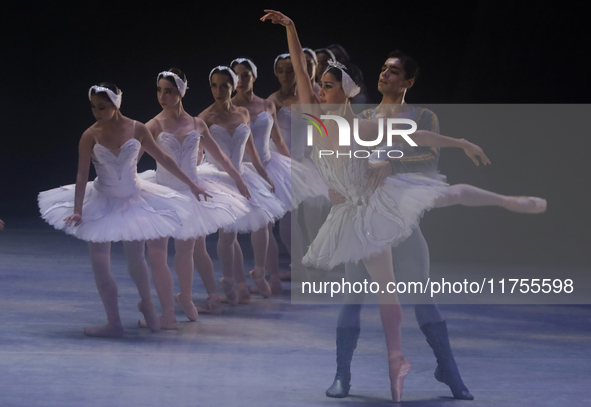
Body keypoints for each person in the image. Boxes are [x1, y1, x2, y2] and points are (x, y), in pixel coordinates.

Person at [260, 9, 490, 402]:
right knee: (354, 295)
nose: (316, 90)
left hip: (391, 215)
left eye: (326, 85)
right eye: (319, 86)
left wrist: (459, 144)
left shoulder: (373, 122)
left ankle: (448, 369)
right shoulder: (322, 119)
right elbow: (301, 71)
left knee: (420, 293)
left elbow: (416, 138)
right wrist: (292, 29)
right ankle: (342, 375)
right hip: (357, 217)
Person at [38, 83, 211, 337]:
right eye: (94, 107)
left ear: (116, 104)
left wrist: (192, 184)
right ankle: (114, 322)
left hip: (134, 200)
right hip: (102, 198)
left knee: (136, 259)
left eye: (103, 107)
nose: (97, 112)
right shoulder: (90, 135)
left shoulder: (138, 128)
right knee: (100, 262)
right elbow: (82, 172)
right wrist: (77, 209)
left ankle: (151, 311)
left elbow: (164, 158)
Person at [139, 68, 251, 326]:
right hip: (163, 193)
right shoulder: (153, 125)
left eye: (168, 91)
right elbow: (134, 159)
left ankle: (186, 298)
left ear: (181, 92)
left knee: (186, 249)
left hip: (191, 193)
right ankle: (166, 310)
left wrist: (238, 178)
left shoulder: (197, 124)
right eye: (159, 90)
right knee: (158, 254)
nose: (162, 96)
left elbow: (220, 156)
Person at [198, 66, 285, 303]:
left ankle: (239, 285)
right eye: (214, 85)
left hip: (242, 176)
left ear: (233, 85)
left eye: (224, 85)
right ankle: (229, 280)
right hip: (217, 178)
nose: (218, 90)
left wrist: (264, 175)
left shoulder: (242, 114)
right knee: (227, 234)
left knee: (254, 225)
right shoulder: (204, 118)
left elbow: (251, 150)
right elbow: (198, 154)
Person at [231, 57, 317, 293]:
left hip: (270, 166)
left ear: (254, 77)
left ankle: (274, 277)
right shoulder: (230, 108)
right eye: (236, 75)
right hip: (245, 168)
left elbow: (277, 139)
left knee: (272, 225)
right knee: (255, 226)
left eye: (245, 75)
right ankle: (260, 277)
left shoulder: (267, 104)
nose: (240, 80)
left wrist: (293, 169)